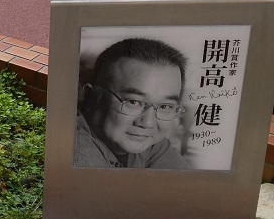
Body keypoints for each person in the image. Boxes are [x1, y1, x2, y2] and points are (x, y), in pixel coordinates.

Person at [74, 37, 190, 169]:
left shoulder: (147, 140)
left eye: (165, 106)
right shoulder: (80, 156)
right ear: (92, 97)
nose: (148, 123)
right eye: (133, 102)